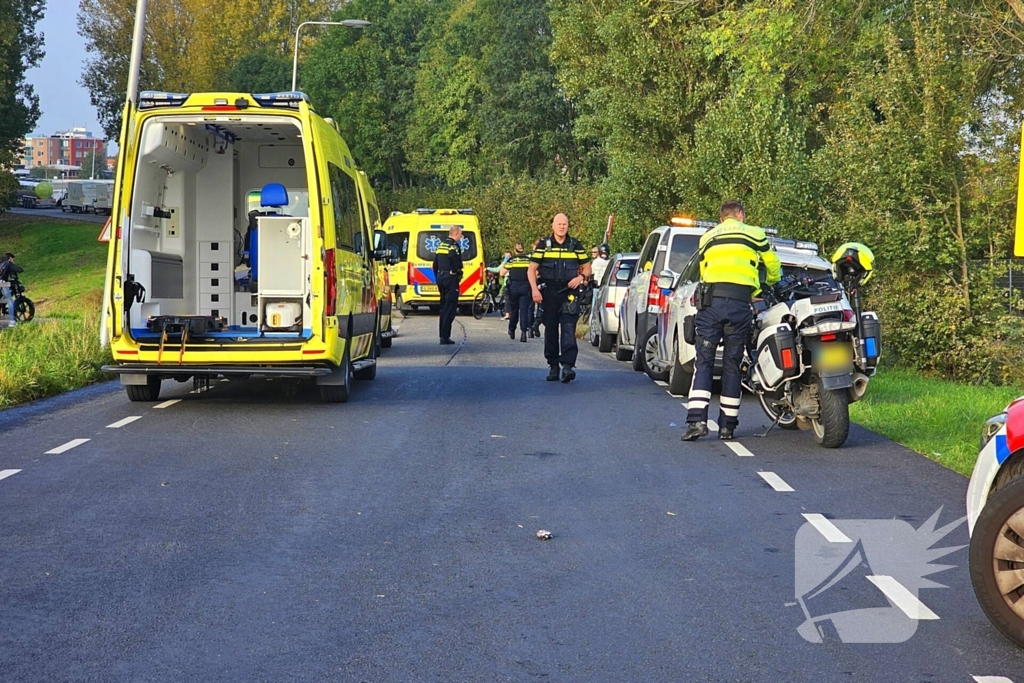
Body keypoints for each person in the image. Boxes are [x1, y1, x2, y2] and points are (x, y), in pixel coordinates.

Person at [681, 200, 781, 441]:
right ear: (741, 215)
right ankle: (727, 427)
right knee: (732, 364)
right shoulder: (755, 234)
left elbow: (704, 271)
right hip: (739, 305)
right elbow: (773, 264)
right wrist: (768, 285)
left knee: (703, 361)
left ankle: (696, 422)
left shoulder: (708, 237)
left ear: (722, 218)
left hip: (712, 304)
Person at [528, 214, 592, 382]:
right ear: (553, 226)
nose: (562, 227)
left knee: (569, 328)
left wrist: (580, 278)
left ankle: (568, 366)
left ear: (568, 226)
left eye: (565, 224)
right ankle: (553, 366)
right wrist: (535, 290)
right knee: (550, 330)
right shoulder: (544, 245)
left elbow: (587, 267)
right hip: (549, 292)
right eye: (559, 224)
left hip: (569, 293)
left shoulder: (575, 244)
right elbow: (531, 269)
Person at [432, 226, 463, 345]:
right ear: (456, 233)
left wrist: (438, 276)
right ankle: (445, 336)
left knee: (444, 307)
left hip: (441, 277)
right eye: (461, 234)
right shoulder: (453, 245)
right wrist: (454, 270)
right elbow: (452, 256)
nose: (461, 236)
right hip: (450, 278)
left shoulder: (441, 245)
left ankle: (442, 335)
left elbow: (435, 264)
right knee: (451, 306)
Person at [500, 242, 533, 342]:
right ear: (524, 249)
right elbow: (535, 272)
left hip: (513, 287)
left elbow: (502, 272)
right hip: (525, 286)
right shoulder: (528, 260)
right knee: (524, 310)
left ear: (515, 250)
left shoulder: (512, 260)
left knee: (514, 311)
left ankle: (512, 329)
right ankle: (523, 333)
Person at [0, 253, 23, 327]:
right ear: (10, 258)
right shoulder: (8, 263)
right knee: (10, 301)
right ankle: (12, 322)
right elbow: (19, 269)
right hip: (2, 283)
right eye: (13, 259)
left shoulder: (1, 262)